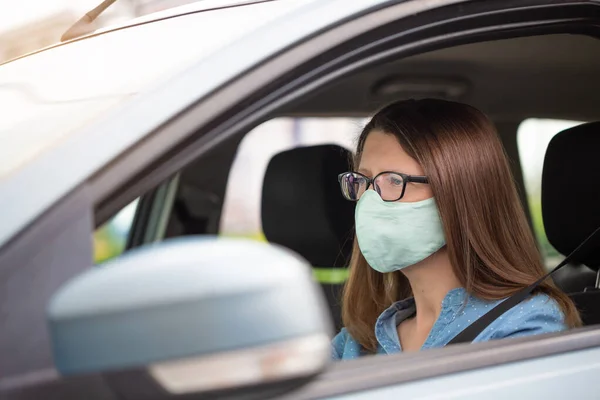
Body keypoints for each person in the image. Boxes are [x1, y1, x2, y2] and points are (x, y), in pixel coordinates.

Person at [332, 98, 580, 360]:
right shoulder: (357, 341)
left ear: (459, 194)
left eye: (394, 180)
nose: (370, 200)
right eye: (362, 180)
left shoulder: (522, 324)